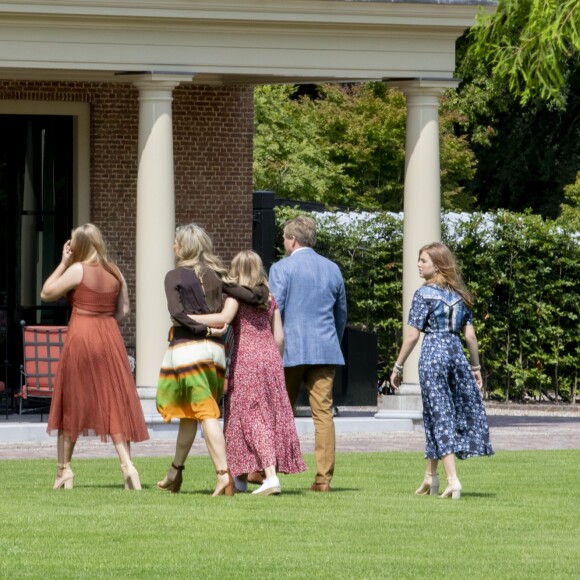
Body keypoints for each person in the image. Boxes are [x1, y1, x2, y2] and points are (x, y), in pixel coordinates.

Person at [155, 224, 267, 496]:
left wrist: (202, 328)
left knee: (205, 413)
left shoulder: (174, 276)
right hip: (215, 354)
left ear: (184, 247)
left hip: (188, 352)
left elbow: (177, 314)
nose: (173, 247)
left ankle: (222, 475)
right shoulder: (218, 275)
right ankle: (175, 471)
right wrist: (263, 294)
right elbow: (254, 295)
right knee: (190, 413)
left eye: (176, 243)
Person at [41, 223, 149, 490]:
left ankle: (63, 470)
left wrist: (63, 263)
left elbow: (46, 292)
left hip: (82, 334)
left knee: (72, 400)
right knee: (114, 401)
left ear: (78, 246)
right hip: (109, 336)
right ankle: (127, 466)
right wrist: (104, 322)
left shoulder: (78, 270)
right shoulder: (115, 272)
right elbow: (123, 310)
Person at [190, 250, 307, 496]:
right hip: (271, 360)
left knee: (252, 418)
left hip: (247, 360)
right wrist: (276, 362)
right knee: (243, 416)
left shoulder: (237, 298)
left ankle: (271, 477)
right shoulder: (269, 298)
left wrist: (191, 318)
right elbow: (280, 337)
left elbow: (224, 320)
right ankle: (240, 476)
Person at [390, 242, 494, 500]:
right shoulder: (461, 295)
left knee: (439, 414)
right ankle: (430, 477)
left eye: (423, 260)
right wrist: (476, 366)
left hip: (433, 354)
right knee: (435, 412)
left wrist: (398, 365)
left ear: (437, 264)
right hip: (456, 353)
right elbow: (470, 336)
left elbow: (413, 335)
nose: (418, 264)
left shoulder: (423, 294)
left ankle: (452, 479)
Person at [269, 215, 347, 493]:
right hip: (326, 350)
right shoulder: (333, 269)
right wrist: (332, 343)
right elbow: (341, 315)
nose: (284, 242)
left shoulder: (281, 268)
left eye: (284, 238)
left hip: (290, 350)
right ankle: (323, 479)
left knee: (279, 411)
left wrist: (271, 346)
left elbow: (275, 310)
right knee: (323, 415)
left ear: (292, 239)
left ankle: (269, 471)